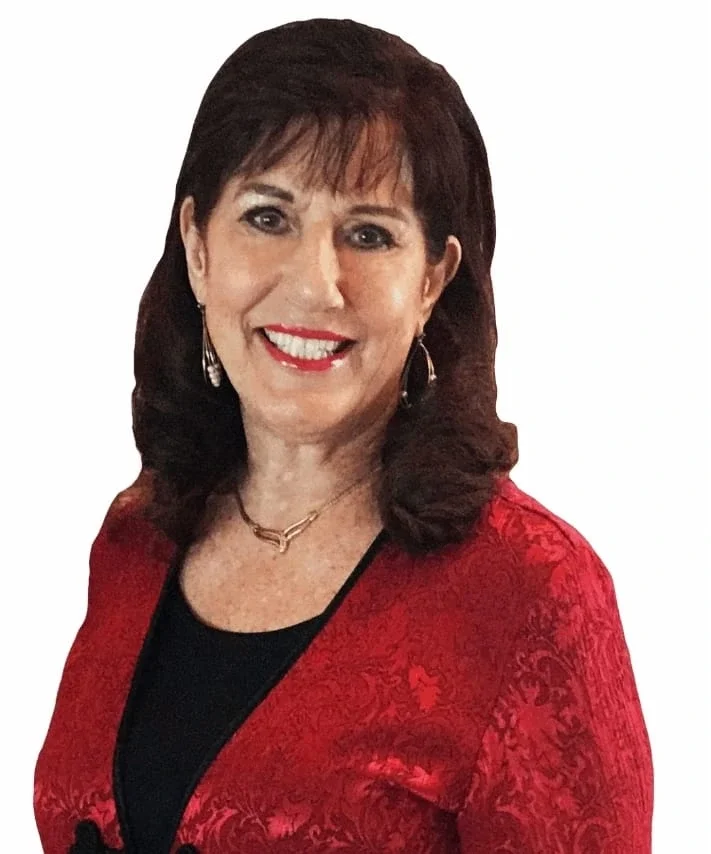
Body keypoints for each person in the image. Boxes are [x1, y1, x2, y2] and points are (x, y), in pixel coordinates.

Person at [33, 17, 654, 854]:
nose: (315, 285)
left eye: (368, 234)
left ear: (432, 278)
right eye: (266, 217)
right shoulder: (135, 540)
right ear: (196, 245)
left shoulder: (530, 591)